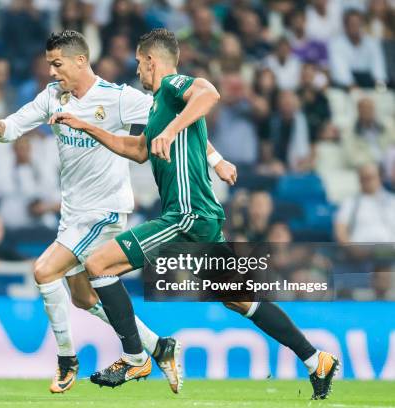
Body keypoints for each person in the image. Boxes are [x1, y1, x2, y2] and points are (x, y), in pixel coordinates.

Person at [50, 29, 338, 400]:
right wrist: (89, 127)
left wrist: (171, 132)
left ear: (151, 61)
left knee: (99, 265)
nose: (137, 70)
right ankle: (317, 360)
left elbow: (208, 93)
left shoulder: (172, 87)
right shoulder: (158, 106)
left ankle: (136, 356)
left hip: (185, 214)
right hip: (200, 216)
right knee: (239, 298)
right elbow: (138, 150)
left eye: (139, 63)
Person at [0, 30, 235, 394]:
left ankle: (67, 360)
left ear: (80, 60)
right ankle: (158, 346)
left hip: (106, 212)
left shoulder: (117, 98)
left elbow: (176, 117)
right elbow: (14, 127)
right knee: (83, 298)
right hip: (73, 214)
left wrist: (216, 159)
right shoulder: (52, 97)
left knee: (43, 270)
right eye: (49, 64)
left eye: (57, 64)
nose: (51, 72)